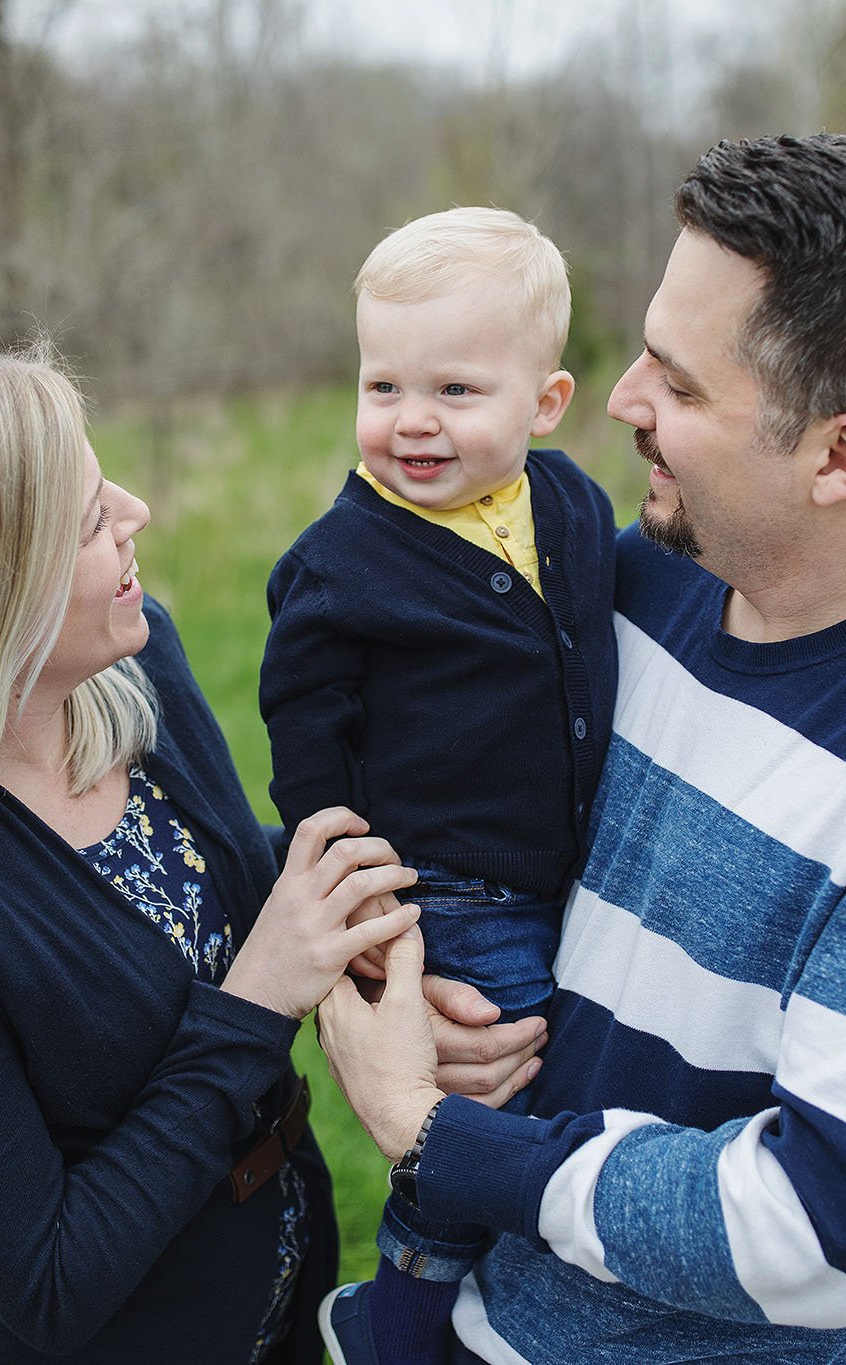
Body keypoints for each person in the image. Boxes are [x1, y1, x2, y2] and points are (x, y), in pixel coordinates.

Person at [317, 133, 846, 1364]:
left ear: (842, 456)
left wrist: (423, 1124)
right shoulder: (621, 588)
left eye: (681, 386)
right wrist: (418, 989)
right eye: (645, 349)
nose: (622, 399)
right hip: (458, 1326)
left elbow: (809, 1237)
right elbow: (445, 807)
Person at [0, 344, 432, 1363]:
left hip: (279, 1295)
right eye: (88, 518)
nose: (134, 511)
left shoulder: (135, 675)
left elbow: (201, 890)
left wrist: (360, 904)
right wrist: (261, 994)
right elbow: (52, 1280)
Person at [257, 208, 617, 1365]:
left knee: (575, 1069)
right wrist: (354, 919)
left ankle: (520, 1275)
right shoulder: (339, 567)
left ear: (542, 405)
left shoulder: (568, 508)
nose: (410, 421)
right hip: (447, 887)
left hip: (571, 859)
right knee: (482, 1100)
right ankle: (400, 1312)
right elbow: (307, 750)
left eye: (455, 391)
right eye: (382, 387)